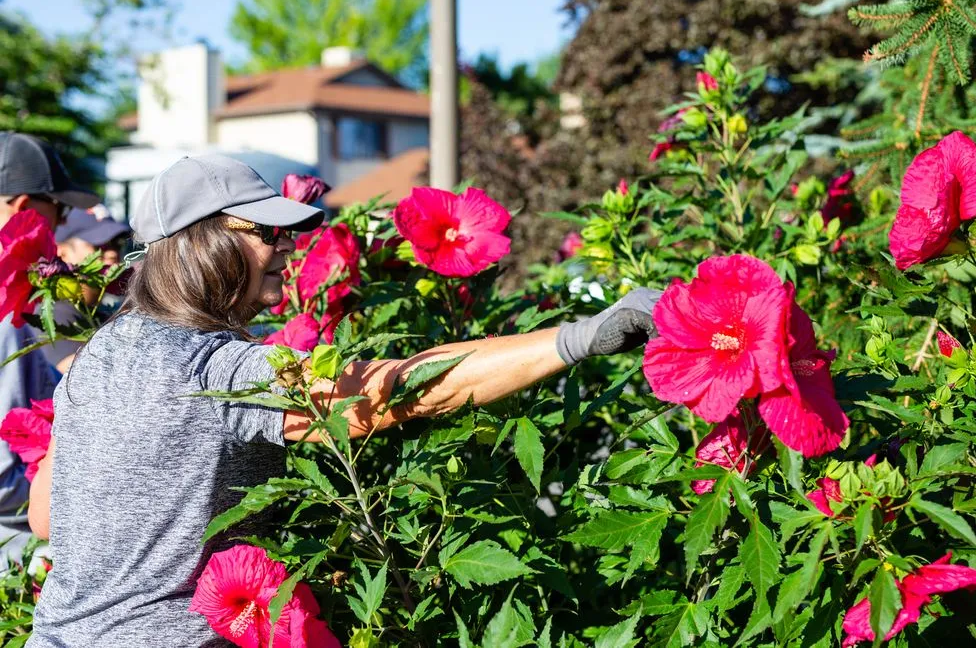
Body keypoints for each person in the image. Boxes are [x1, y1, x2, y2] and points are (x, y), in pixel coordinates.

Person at [26, 155, 660, 646]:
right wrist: (579, 337)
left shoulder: (100, 357)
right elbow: (392, 392)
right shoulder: (217, 369)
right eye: (263, 231)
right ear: (204, 243)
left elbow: (47, 517)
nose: (284, 247)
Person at [0, 132, 99, 563]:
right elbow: (4, 476)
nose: (61, 224)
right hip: (18, 550)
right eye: (57, 209)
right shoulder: (10, 313)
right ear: (24, 208)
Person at [34, 208, 131, 374]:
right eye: (99, 245)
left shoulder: (102, 309)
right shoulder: (55, 314)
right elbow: (83, 377)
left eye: (116, 243)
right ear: (61, 253)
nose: (112, 253)